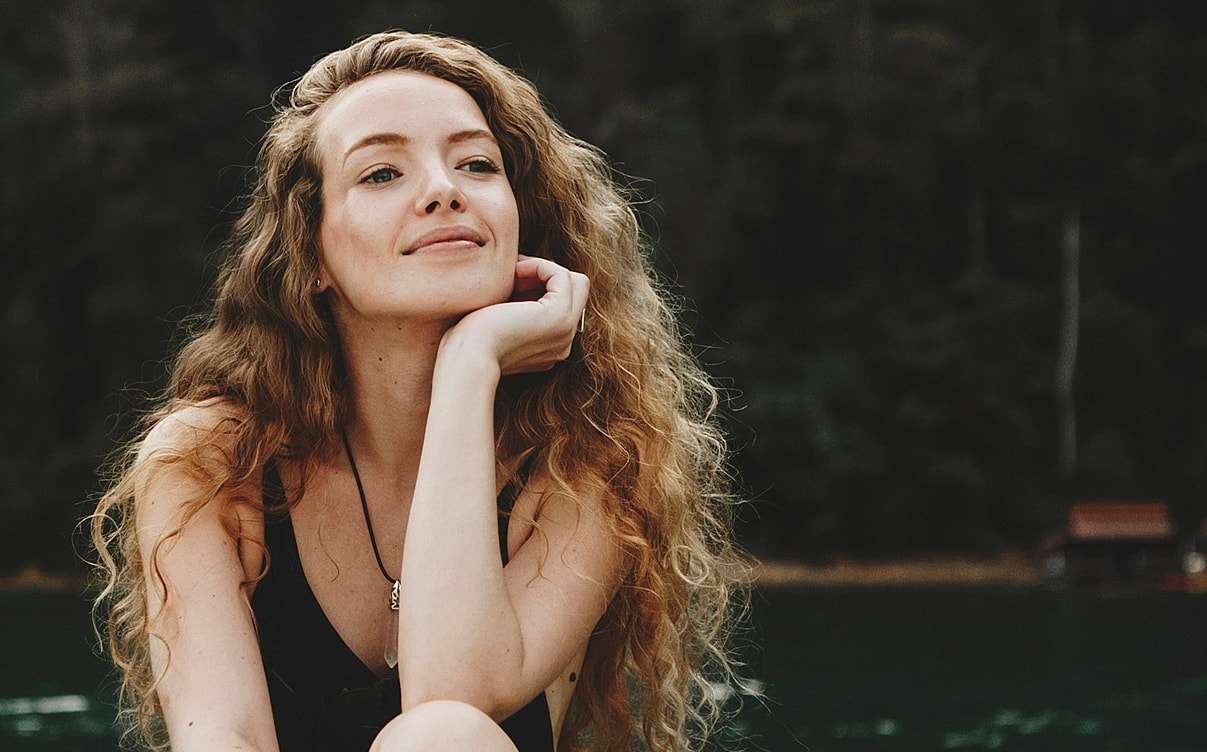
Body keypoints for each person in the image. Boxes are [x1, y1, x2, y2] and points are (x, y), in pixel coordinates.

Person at [90, 30, 747, 752]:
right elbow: (220, 738)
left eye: (476, 164)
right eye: (380, 174)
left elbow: (451, 695)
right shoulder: (211, 463)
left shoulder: (586, 456)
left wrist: (470, 365)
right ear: (311, 255)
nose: (444, 190)